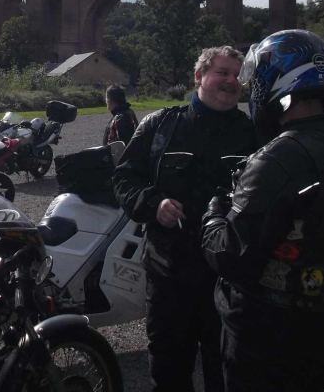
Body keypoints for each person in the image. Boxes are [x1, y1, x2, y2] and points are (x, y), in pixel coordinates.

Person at [201, 30, 324, 391]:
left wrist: (215, 212)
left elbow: (229, 256)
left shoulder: (280, 157)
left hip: (266, 331)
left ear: (276, 80)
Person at [113, 46, 259, 392]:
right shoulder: (160, 125)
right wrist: (154, 203)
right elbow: (124, 179)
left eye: (237, 75)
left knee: (228, 374)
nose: (231, 81)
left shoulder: (254, 134)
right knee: (169, 372)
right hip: (169, 275)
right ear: (199, 76)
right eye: (222, 72)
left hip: (228, 280)